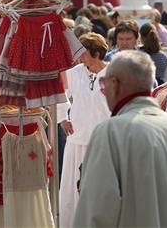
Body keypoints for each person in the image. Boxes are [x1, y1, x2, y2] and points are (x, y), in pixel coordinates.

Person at [74, 51, 167, 227]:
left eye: (103, 83)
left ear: (114, 84)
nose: (103, 89)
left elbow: (95, 212)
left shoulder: (110, 133)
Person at [58, 33, 110, 228]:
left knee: (99, 191)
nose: (79, 56)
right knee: (73, 191)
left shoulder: (113, 74)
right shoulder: (75, 72)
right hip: (76, 139)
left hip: (102, 143)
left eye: (83, 52)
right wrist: (63, 117)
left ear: (96, 53)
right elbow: (61, 93)